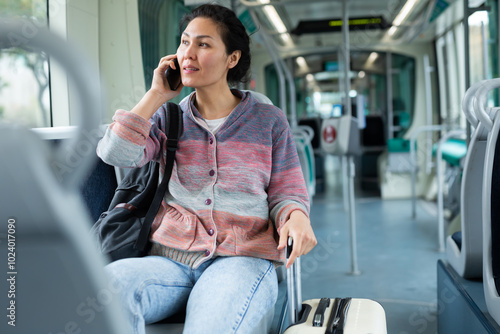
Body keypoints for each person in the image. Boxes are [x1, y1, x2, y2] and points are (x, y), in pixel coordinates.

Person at [97, 4, 316, 334]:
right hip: (170, 261)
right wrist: (156, 95)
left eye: (203, 44)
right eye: (184, 42)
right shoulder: (168, 119)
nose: (188, 54)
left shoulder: (268, 121)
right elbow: (115, 153)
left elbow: (287, 192)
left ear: (232, 58)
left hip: (241, 261)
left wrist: (296, 216)